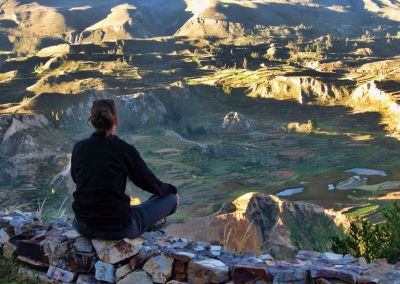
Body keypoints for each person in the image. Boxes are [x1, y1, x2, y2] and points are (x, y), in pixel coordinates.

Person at [71, 98, 178, 240]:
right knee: (170, 199)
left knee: (129, 209)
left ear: (92, 121)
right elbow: (150, 183)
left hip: (83, 226)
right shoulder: (124, 150)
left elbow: (75, 177)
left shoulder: (79, 148)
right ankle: (149, 225)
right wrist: (172, 191)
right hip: (118, 229)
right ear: (116, 120)